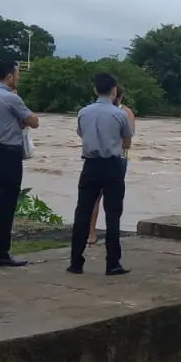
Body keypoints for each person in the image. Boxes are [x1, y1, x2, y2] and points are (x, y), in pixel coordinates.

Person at [69, 73, 134, 276]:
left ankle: (76, 262)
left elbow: (80, 133)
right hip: (112, 165)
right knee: (113, 214)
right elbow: (127, 137)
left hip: (90, 164)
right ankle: (112, 263)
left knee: (83, 212)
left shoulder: (83, 112)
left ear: (95, 90)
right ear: (114, 91)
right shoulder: (120, 114)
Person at [0, 58, 40, 268]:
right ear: (9, 76)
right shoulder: (11, 98)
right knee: (6, 203)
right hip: (9, 153)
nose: (19, 77)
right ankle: (1, 252)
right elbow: (34, 121)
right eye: (18, 73)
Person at [88, 83, 136, 244]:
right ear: (117, 95)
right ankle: (109, 235)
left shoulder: (91, 110)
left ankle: (91, 233)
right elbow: (128, 141)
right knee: (113, 199)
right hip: (118, 158)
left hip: (97, 158)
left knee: (95, 197)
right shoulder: (125, 113)